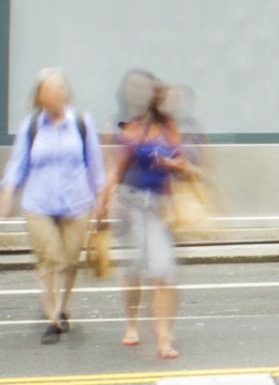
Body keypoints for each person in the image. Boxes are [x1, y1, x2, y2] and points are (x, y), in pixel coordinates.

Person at [5, 70, 106, 344]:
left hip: (77, 202)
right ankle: (53, 318)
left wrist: (101, 201)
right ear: (40, 96)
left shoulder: (81, 123)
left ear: (66, 92)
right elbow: (18, 164)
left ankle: (63, 306)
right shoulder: (32, 125)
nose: (55, 94)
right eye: (49, 90)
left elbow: (94, 164)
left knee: (70, 261)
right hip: (39, 203)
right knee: (50, 259)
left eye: (59, 88)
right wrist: (7, 194)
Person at [102, 73, 194, 359]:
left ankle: (163, 336)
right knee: (135, 269)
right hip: (131, 205)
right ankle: (131, 323)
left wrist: (176, 165)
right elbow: (116, 169)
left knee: (162, 270)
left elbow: (187, 167)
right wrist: (104, 203)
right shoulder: (135, 128)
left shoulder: (171, 129)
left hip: (157, 208)